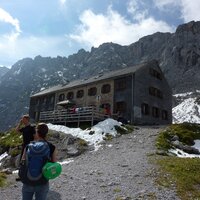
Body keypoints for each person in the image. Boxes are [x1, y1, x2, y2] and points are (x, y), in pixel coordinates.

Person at [21, 123, 57, 200]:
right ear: (46, 133)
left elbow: (22, 161)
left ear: (37, 132)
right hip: (42, 181)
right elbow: (54, 163)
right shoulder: (51, 147)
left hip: (28, 181)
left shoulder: (28, 146)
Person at [15, 115, 36, 181]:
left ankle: (29, 175)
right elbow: (16, 130)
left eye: (23, 119)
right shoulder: (24, 128)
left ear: (27, 120)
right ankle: (22, 176)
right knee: (23, 160)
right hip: (24, 145)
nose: (22, 120)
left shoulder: (32, 127)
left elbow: (35, 137)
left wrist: (33, 144)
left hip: (30, 145)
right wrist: (19, 123)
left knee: (29, 160)